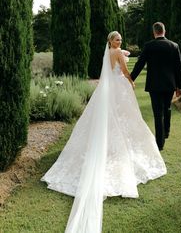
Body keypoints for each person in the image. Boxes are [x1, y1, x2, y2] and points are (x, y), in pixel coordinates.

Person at [41, 31, 167, 233]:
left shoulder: (109, 52)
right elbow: (125, 71)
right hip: (118, 88)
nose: (119, 42)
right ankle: (117, 149)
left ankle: (106, 145)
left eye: (120, 40)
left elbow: (114, 61)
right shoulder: (116, 52)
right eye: (117, 39)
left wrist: (121, 52)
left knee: (111, 119)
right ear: (110, 41)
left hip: (107, 89)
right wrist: (131, 80)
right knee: (123, 119)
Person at [131, 22, 181, 151]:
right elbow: (179, 68)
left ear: (154, 32)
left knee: (158, 113)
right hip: (170, 84)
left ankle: (159, 143)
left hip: (154, 85)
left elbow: (140, 64)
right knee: (167, 108)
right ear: (164, 31)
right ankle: (166, 132)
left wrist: (130, 79)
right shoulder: (174, 46)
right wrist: (179, 86)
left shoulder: (149, 46)